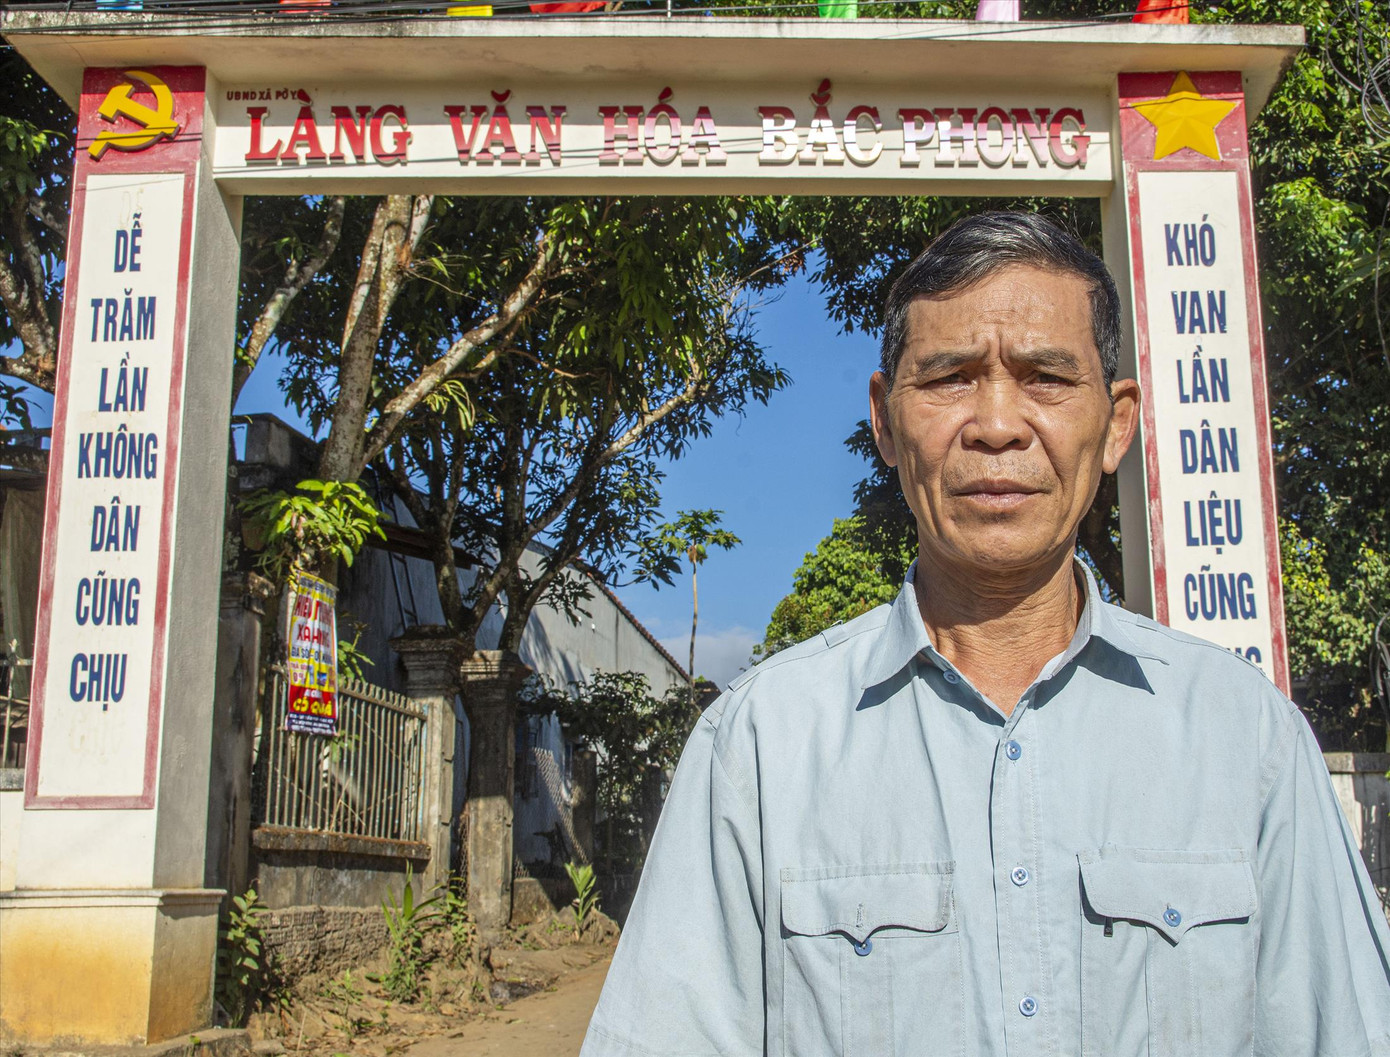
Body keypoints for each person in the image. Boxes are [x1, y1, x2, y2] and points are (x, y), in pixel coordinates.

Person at [579, 211, 1390, 1056]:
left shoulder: (1249, 741)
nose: (997, 423)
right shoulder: (756, 747)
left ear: (1115, 426)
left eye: (1045, 377)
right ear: (886, 422)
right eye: (951, 378)